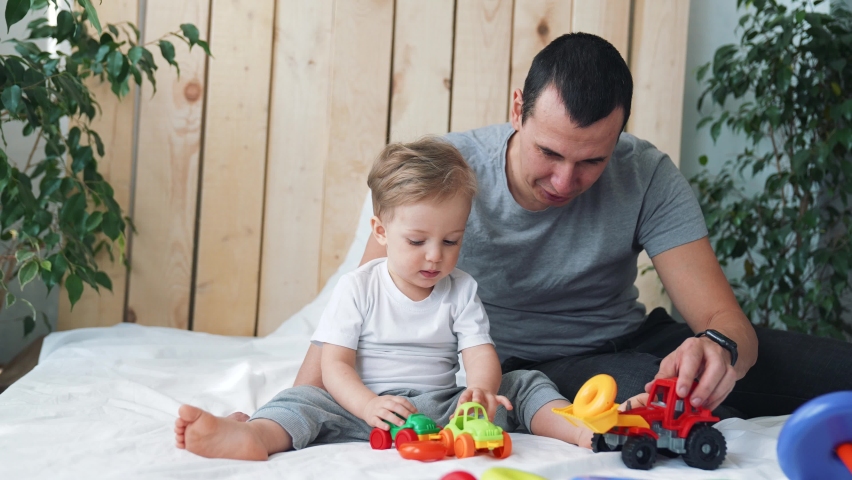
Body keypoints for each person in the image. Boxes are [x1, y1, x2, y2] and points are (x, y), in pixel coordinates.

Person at [295, 32, 852, 420]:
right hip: (513, 366)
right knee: (661, 402)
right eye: (549, 153)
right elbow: (358, 304)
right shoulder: (446, 171)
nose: (565, 180)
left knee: (829, 370)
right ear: (519, 108)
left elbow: (724, 320)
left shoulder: (648, 172)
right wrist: (295, 405)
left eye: (592, 160)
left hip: (626, 336)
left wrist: (718, 348)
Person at [175, 137, 635, 460]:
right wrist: (366, 406)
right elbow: (334, 366)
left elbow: (479, 354)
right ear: (381, 232)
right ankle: (252, 435)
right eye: (417, 242)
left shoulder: (461, 290)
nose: (435, 257)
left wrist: (482, 388)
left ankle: (579, 428)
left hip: (440, 407)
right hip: (365, 407)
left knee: (523, 382)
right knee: (301, 400)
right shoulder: (358, 288)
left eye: (451, 241)